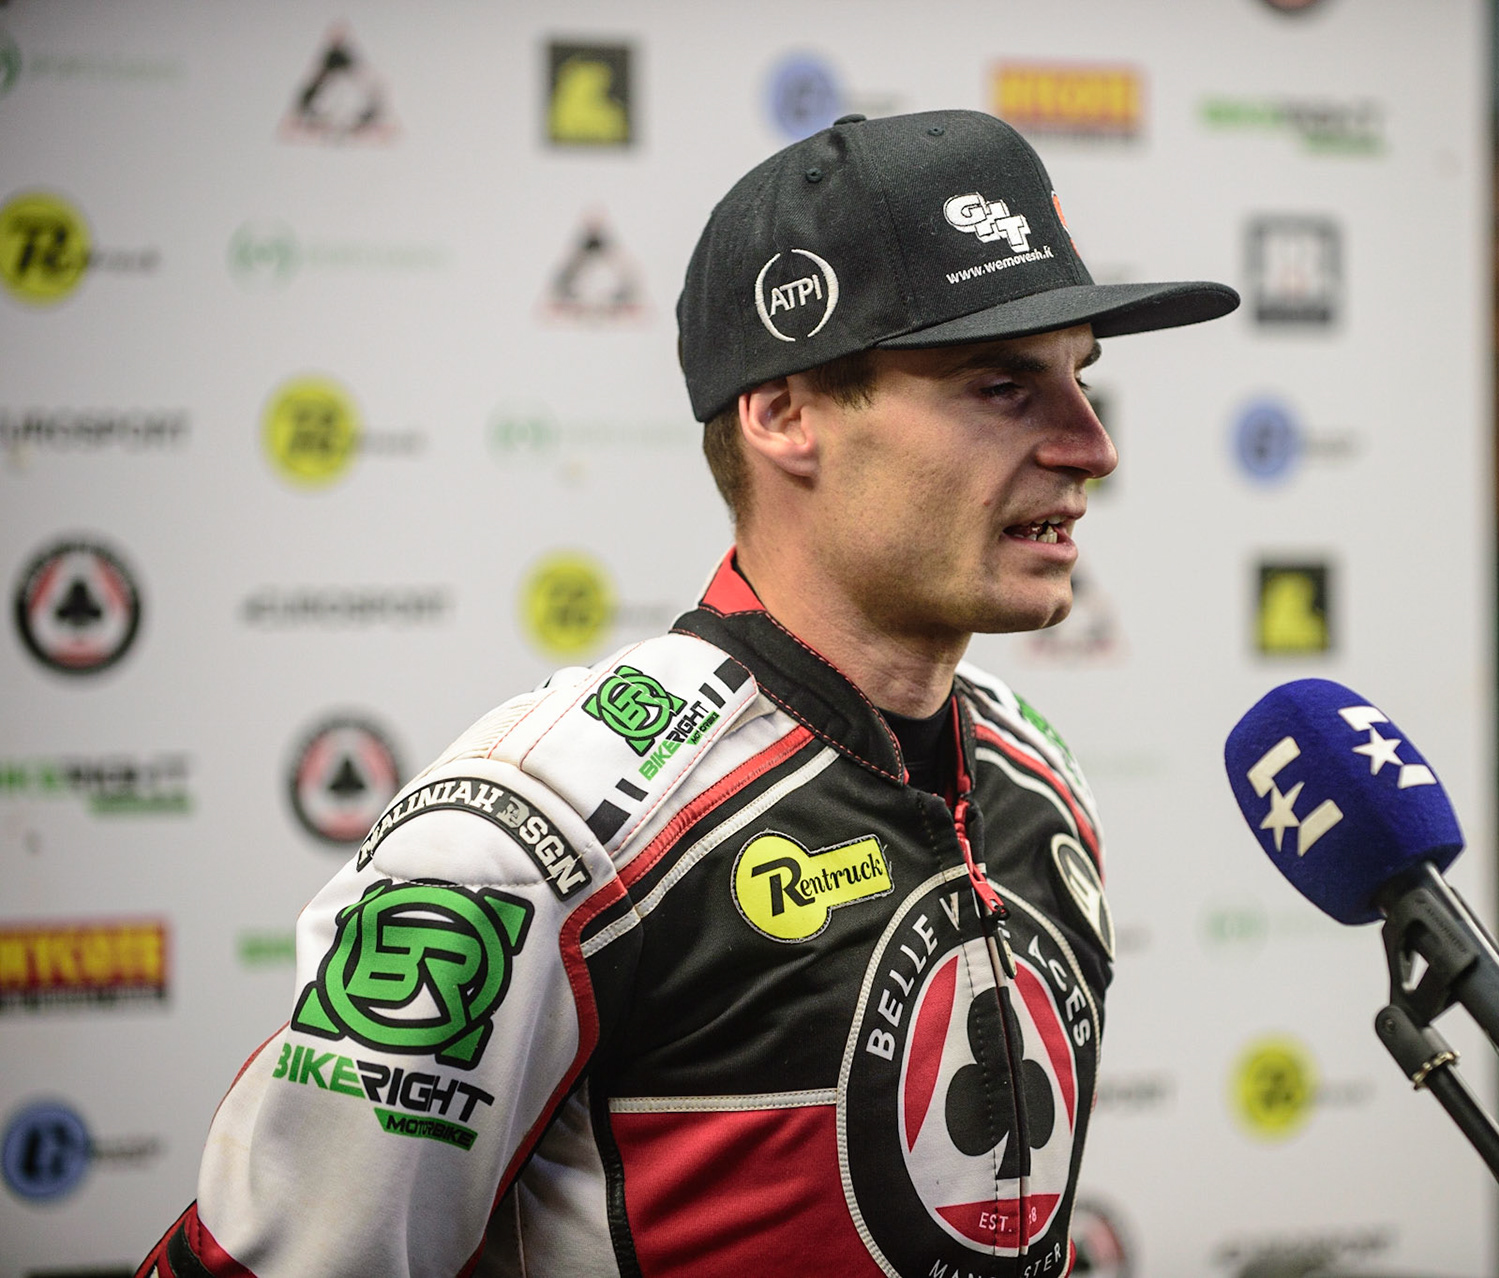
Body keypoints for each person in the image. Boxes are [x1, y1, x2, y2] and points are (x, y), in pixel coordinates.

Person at [144, 108, 1236, 1278]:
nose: (1092, 444)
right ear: (784, 413)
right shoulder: (535, 834)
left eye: (1081, 377)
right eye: (1001, 386)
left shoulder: (1037, 776)